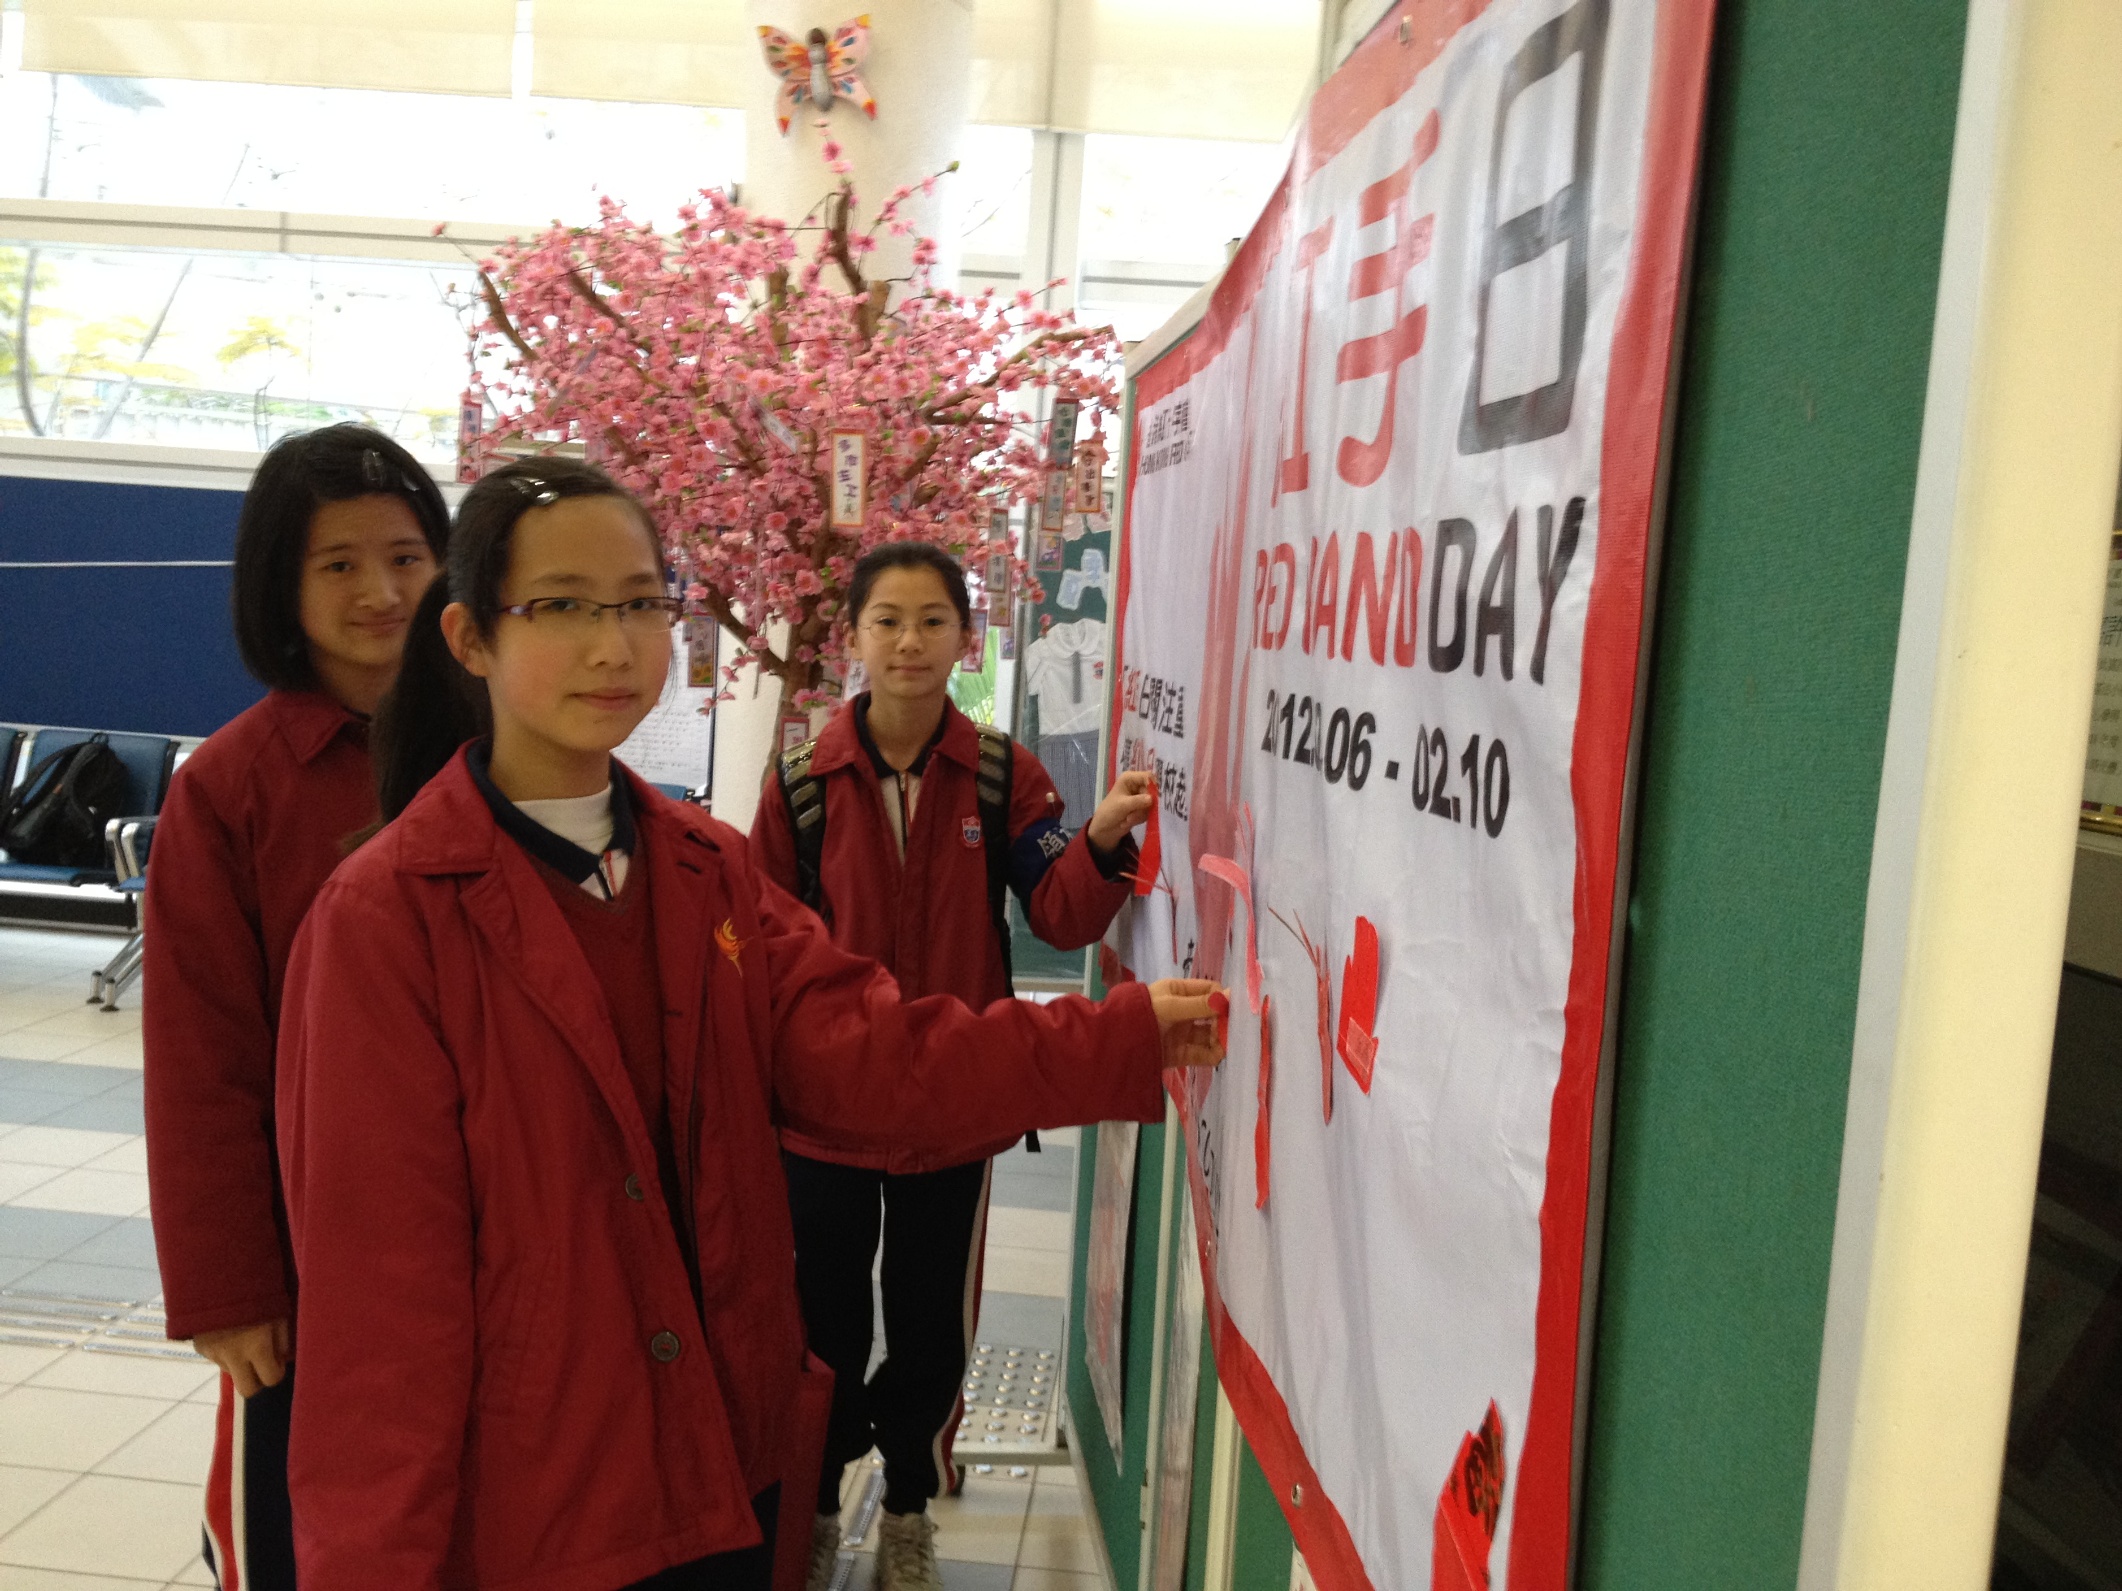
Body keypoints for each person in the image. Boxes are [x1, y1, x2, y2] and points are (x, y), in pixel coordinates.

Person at [274, 458, 1225, 1591]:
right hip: (542, 1498)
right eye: (563, 605)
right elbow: (380, 1320)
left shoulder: (703, 872)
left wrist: (1117, 1037)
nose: (612, 644)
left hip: (730, 1458)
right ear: (470, 636)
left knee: (922, 1322)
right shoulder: (388, 918)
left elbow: (874, 1052)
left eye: (640, 602)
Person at [750, 542, 1153, 1591]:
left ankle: (909, 1505)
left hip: (955, 1108)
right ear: (854, 636)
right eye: (886, 620)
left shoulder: (999, 774)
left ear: (965, 640)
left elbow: (1057, 910)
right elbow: (760, 952)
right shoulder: (799, 785)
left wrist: (1100, 843)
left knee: (933, 1327)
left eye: (932, 620)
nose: (909, 642)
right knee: (823, 1330)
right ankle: (820, 1502)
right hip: (824, 1115)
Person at [142, 423, 450, 1591]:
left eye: (407, 557)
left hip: (495, 1227)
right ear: (283, 581)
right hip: (313, 1244)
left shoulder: (506, 749)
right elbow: (200, 1059)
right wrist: (228, 1289)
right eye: (339, 563)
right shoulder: (231, 789)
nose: (381, 591)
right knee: (306, 1536)